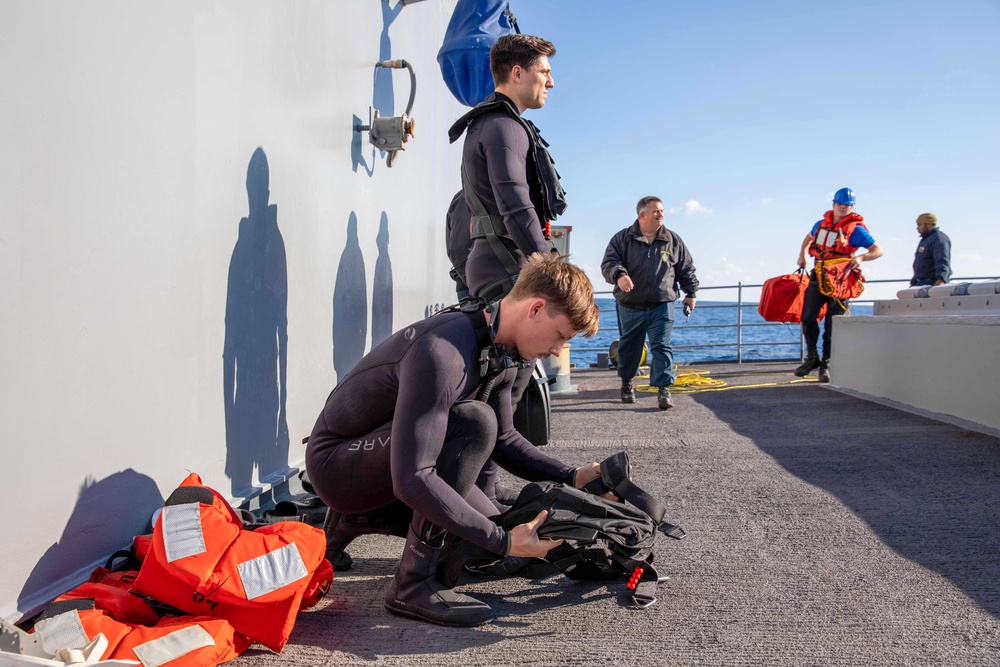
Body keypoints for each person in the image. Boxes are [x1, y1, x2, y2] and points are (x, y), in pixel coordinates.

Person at [305, 254, 602, 627]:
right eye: (560, 336)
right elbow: (414, 477)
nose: (558, 350)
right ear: (536, 308)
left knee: (480, 545)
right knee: (473, 424)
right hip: (337, 464)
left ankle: (353, 521)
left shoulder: (501, 350)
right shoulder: (443, 349)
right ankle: (412, 584)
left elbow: (506, 440)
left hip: (381, 463)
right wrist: (503, 540)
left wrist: (572, 476)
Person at [447, 33, 566, 303]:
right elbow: (515, 206)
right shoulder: (505, 127)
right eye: (544, 72)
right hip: (508, 269)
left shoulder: (489, 122)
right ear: (517, 73)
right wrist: (551, 274)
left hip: (498, 266)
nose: (551, 82)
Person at [601, 196, 699, 410]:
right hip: (630, 304)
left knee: (662, 346)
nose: (661, 214)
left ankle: (664, 389)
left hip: (661, 304)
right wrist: (619, 275)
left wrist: (691, 292)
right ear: (642, 215)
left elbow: (686, 268)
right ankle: (627, 383)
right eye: (656, 211)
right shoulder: (622, 239)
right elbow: (609, 263)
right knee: (629, 347)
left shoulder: (673, 240)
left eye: (662, 210)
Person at [795, 187, 883, 383]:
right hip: (818, 276)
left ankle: (826, 363)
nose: (843, 208)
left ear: (852, 207)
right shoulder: (820, 224)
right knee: (807, 317)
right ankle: (812, 357)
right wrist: (802, 256)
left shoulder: (856, 230)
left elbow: (878, 250)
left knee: (832, 323)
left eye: (847, 205)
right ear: (833, 204)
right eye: (840, 204)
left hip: (840, 281)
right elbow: (808, 238)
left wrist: (861, 257)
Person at [910, 212, 952, 287]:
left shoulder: (939, 239)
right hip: (921, 282)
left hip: (932, 282)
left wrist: (941, 279)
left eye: (919, 225)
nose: (917, 228)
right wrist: (913, 281)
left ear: (928, 224)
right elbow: (921, 262)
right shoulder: (925, 240)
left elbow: (942, 260)